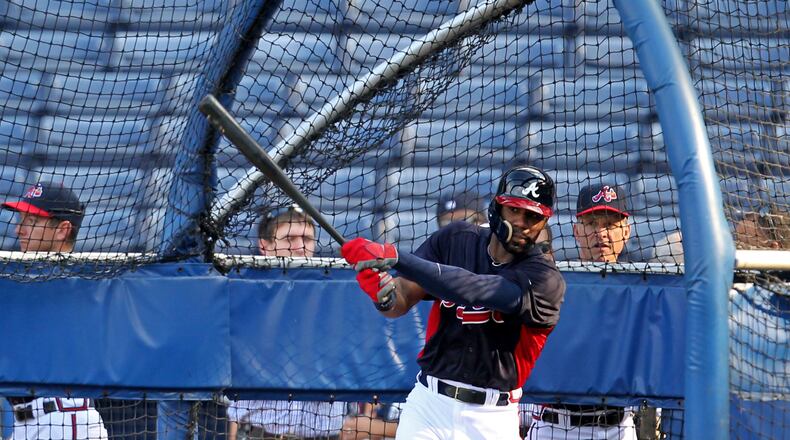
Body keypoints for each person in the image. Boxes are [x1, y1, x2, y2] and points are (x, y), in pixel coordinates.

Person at [340, 165, 566, 439]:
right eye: (514, 210)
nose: (521, 222)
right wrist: (384, 294)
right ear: (497, 208)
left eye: (532, 216)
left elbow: (473, 288)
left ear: (544, 223)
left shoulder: (544, 278)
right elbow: (402, 298)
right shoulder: (456, 239)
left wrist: (397, 257)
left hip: (492, 416)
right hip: (429, 404)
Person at [528, 182, 660, 440]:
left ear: (627, 231)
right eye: (592, 224)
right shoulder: (554, 282)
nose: (602, 234)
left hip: (618, 428)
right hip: (554, 426)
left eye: (611, 224)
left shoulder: (643, 289)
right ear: (577, 231)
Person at [227, 205, 347, 440]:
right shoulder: (242, 295)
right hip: (258, 435)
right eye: (289, 238)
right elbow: (236, 389)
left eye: (307, 238)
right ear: (265, 245)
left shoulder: (337, 295)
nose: (300, 246)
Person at [1, 181, 109, 440]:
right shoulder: (24, 277)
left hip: (63, 420)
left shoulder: (82, 282)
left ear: (62, 230)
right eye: (20, 219)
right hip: (24, 423)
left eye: (31, 221)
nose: (19, 229)